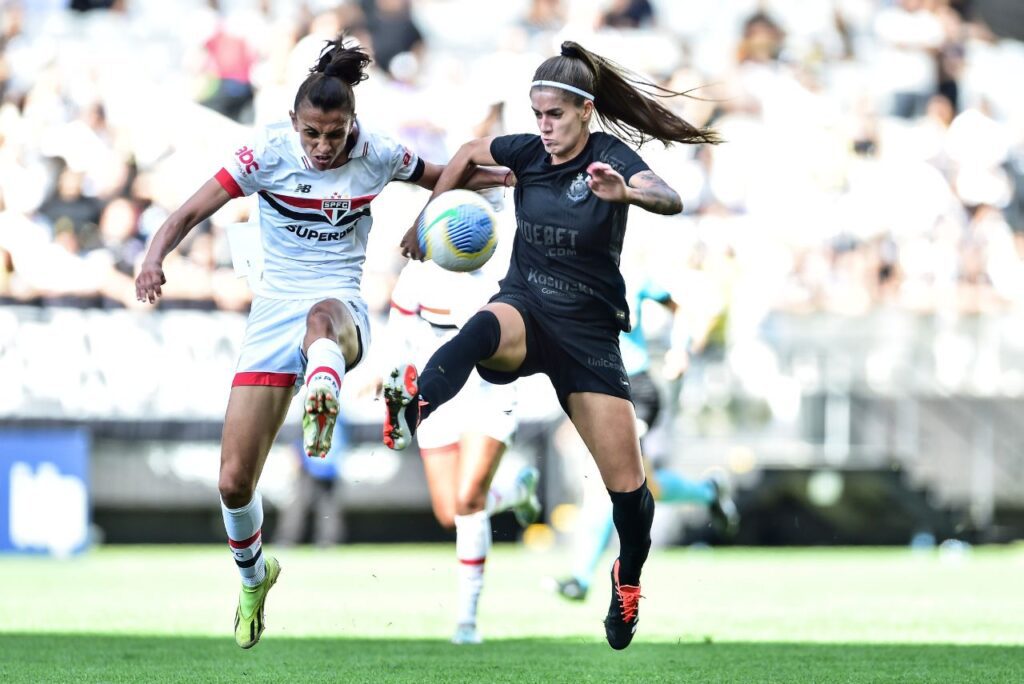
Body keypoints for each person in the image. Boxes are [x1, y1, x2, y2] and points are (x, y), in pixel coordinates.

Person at [134, 36, 506, 649]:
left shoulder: (380, 152)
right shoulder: (264, 157)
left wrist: (524, 173)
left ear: (352, 124)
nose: (324, 147)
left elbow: (452, 174)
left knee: (321, 323)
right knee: (232, 482)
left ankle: (323, 394)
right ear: (293, 123)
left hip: (340, 308)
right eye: (313, 133)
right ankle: (255, 575)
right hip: (270, 313)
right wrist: (153, 259)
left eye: (335, 134)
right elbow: (183, 215)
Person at [381, 40, 719, 650]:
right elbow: (462, 155)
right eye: (537, 114)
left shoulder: (610, 158)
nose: (544, 127)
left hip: (588, 336)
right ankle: (414, 401)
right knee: (484, 327)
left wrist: (627, 193)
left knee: (631, 499)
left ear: (584, 111)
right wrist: (421, 222)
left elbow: (671, 198)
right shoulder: (528, 152)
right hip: (528, 307)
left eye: (554, 115)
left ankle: (627, 582)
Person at [553, 276, 740, 602]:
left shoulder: (631, 275)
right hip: (596, 393)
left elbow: (678, 306)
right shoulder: (564, 276)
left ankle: (580, 578)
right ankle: (708, 492)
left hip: (634, 391)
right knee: (647, 484)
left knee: (601, 481)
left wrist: (679, 350)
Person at [385, 257, 541, 644]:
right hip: (437, 386)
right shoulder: (417, 272)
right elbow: (398, 334)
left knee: (468, 499)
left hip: (491, 386)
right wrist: (383, 373)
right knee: (449, 511)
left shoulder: (503, 263)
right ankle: (518, 491)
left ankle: (467, 621)